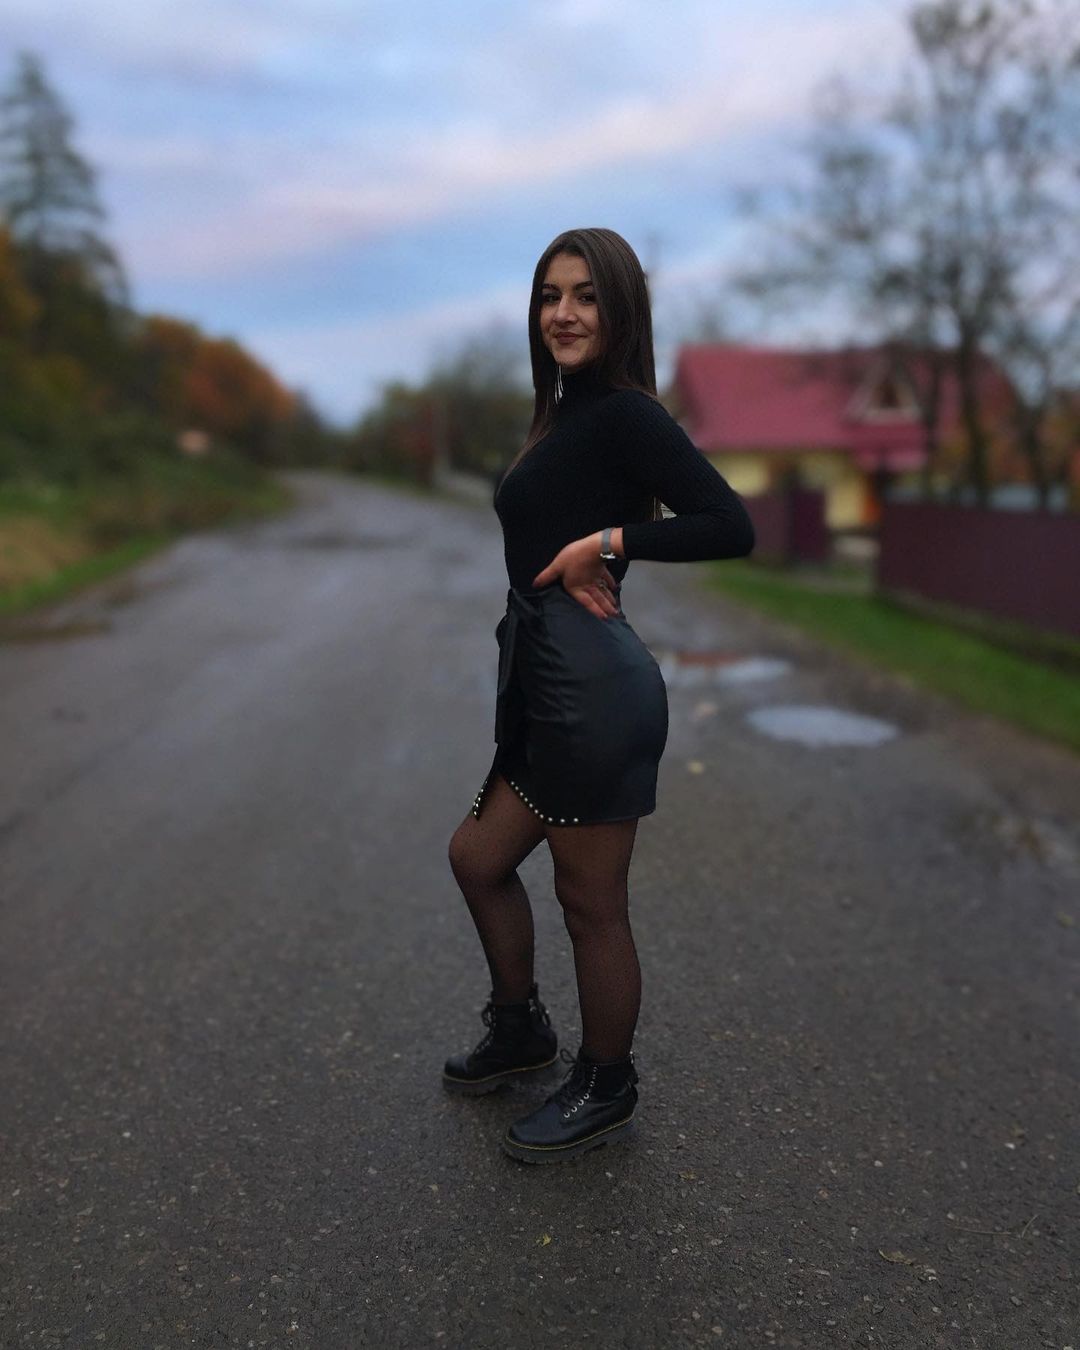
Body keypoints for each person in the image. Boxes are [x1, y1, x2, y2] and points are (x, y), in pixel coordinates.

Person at [443, 227, 755, 1164]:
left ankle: (607, 1082)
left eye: (584, 296)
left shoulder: (626, 415)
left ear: (619, 311)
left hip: (594, 690)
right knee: (477, 858)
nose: (564, 314)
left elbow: (728, 523)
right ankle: (520, 1028)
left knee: (590, 901)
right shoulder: (562, 413)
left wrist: (609, 543)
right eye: (550, 296)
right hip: (543, 677)